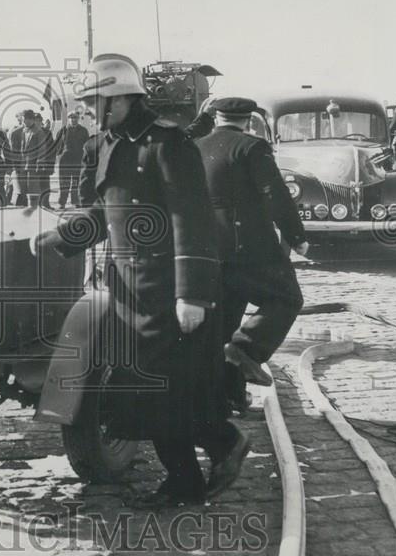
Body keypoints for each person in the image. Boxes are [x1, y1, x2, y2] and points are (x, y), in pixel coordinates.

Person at [34, 54, 246, 505]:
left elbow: (192, 219)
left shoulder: (167, 144)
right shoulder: (111, 143)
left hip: (167, 290)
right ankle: (212, 452)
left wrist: (190, 294)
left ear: (119, 99)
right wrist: (64, 235)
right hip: (130, 288)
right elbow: (108, 211)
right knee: (153, 388)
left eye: (94, 102)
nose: (88, 111)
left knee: (164, 387)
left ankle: (196, 469)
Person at [195, 97, 308, 415]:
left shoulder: (197, 146)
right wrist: (296, 236)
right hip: (250, 245)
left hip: (206, 247)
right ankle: (245, 349)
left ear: (217, 118)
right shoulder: (251, 147)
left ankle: (227, 396)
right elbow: (275, 194)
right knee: (287, 298)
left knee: (225, 320)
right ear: (247, 120)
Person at [54, 110, 89, 208]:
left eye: (75, 118)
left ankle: (76, 201)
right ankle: (62, 202)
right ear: (68, 119)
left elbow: (87, 145)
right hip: (65, 160)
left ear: (78, 119)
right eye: (71, 118)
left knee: (76, 181)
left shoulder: (83, 130)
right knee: (64, 182)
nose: (73, 120)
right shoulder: (63, 130)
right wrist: (58, 156)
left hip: (78, 159)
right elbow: (57, 145)